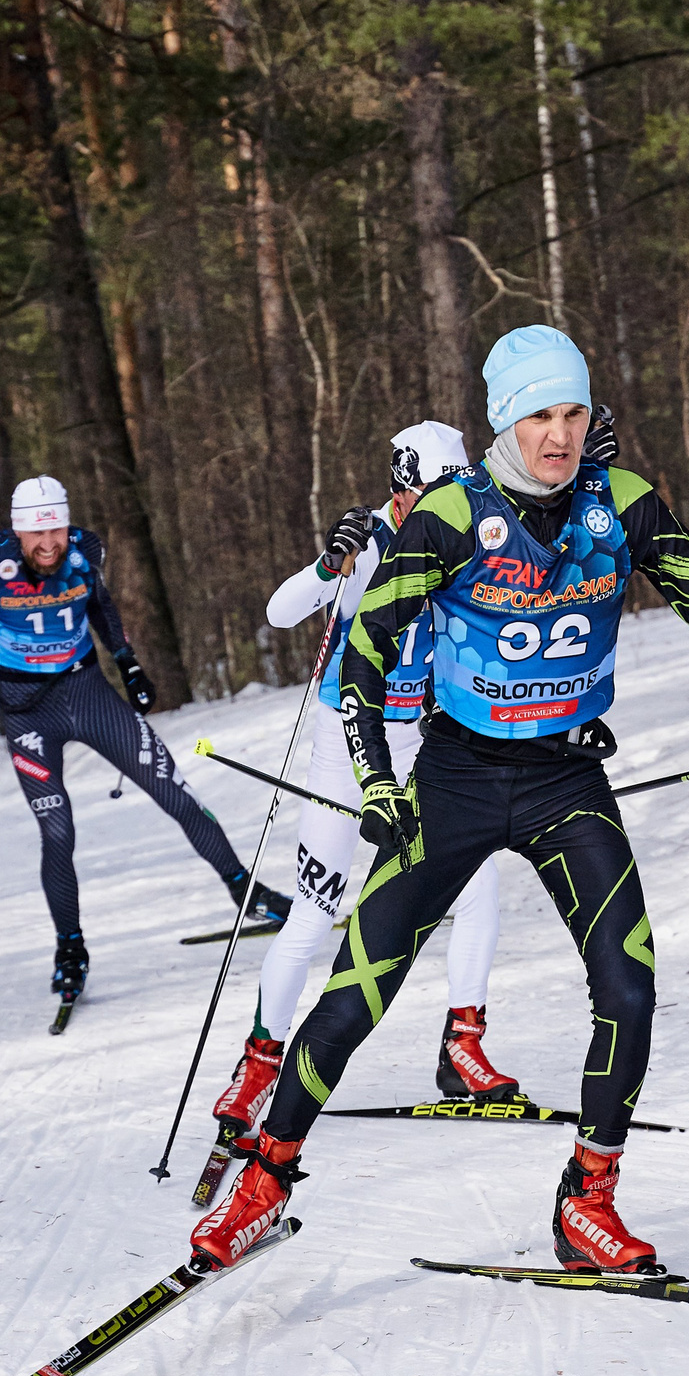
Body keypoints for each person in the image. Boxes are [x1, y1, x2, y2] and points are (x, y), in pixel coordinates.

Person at [189, 326, 689, 1276]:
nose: (559, 433)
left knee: (630, 987)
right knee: (356, 993)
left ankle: (588, 1202)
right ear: (505, 419)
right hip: (453, 782)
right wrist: (375, 779)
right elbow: (365, 653)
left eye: (574, 411)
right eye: (540, 413)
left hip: (566, 783)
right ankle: (263, 1178)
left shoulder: (621, 506)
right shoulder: (450, 515)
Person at [202, 423, 510, 1172]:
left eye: (454, 491)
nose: (443, 506)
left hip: (419, 741)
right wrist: (325, 563)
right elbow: (279, 613)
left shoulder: (476, 531)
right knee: (317, 909)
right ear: (400, 488)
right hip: (347, 743)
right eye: (427, 494)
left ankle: (462, 1046)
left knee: (478, 885)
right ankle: (259, 1064)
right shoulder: (368, 539)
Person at [0, 476, 291, 1007]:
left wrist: (129, 662)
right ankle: (70, 948)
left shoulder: (85, 549)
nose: (49, 545)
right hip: (28, 710)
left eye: (57, 530)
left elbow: (100, 602)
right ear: (18, 530)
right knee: (58, 830)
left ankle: (247, 894)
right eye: (36, 534)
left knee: (173, 789)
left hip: (88, 693)